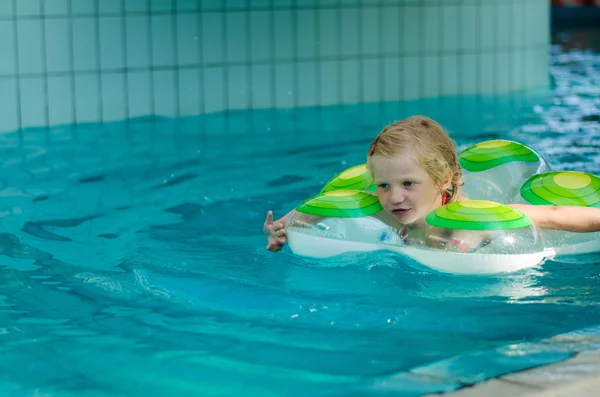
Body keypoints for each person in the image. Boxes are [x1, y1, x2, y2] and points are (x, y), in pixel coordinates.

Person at [264, 115, 600, 252]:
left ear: (442, 181)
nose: (394, 197)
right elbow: (327, 205)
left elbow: (554, 213)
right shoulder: (383, 210)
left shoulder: (474, 219)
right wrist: (283, 227)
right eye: (383, 185)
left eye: (408, 183)